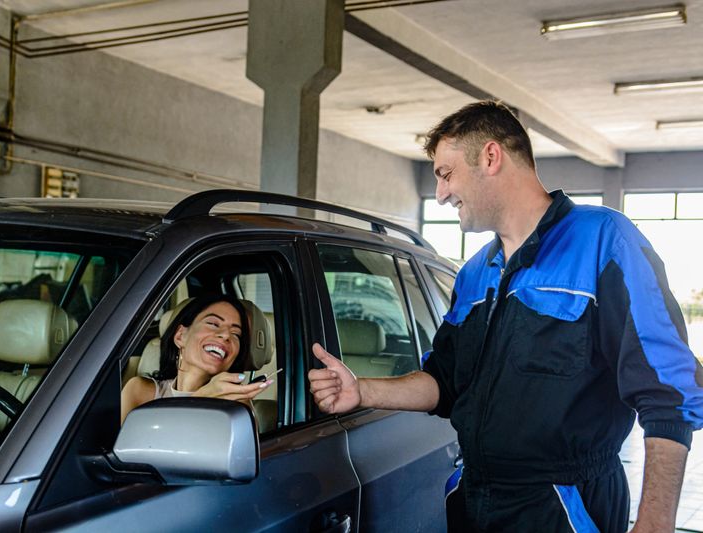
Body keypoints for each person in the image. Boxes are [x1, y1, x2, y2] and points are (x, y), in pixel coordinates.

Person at [308, 101, 703, 533]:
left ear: (490, 157)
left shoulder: (604, 241)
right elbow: (444, 384)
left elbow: (672, 395)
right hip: (477, 499)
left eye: (445, 173)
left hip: (562, 507)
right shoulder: (476, 273)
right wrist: (361, 390)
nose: (440, 193)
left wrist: (655, 522)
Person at [121, 293, 269, 423]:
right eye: (213, 323)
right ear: (180, 336)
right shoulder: (139, 391)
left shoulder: (236, 405)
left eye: (236, 334)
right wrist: (201, 398)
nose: (226, 335)